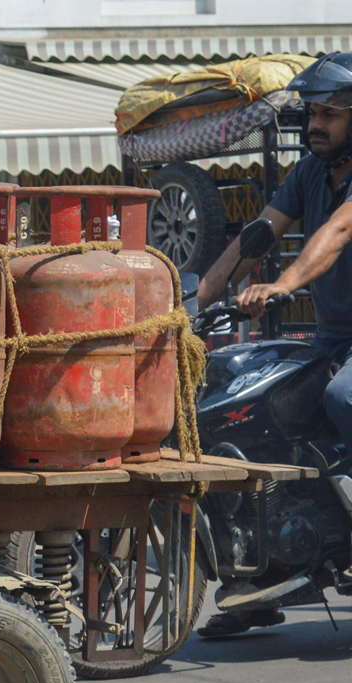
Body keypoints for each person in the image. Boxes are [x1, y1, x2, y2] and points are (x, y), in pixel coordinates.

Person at [193, 52, 352, 637]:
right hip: (335, 334)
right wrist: (193, 305)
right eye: (312, 112)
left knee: (343, 397)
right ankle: (256, 581)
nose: (316, 123)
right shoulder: (310, 172)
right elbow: (256, 237)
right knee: (249, 411)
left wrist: (284, 284)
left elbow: (337, 233)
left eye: (330, 113)